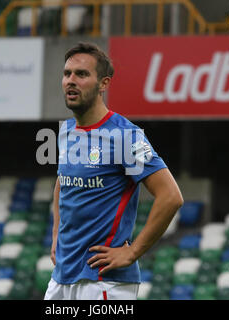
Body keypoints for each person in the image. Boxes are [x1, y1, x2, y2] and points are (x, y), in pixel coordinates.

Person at [44, 42, 183, 300]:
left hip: (103, 283)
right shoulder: (66, 132)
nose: (71, 81)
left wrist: (132, 253)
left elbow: (171, 196)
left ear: (104, 84)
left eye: (82, 74)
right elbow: (62, 182)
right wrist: (56, 237)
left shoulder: (125, 136)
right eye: (67, 74)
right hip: (62, 279)